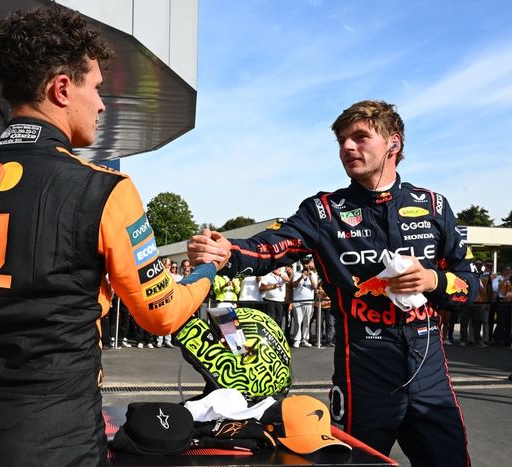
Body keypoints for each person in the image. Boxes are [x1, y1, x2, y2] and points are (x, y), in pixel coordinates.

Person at [0, 7, 218, 466]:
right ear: (61, 89)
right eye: (97, 88)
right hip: (58, 435)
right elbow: (161, 315)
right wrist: (206, 271)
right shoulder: (105, 189)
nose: (102, 105)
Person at [188, 100, 478, 467]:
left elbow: (470, 284)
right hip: (364, 377)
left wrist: (433, 279)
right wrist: (228, 252)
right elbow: (272, 247)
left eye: (360, 137)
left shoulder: (434, 206)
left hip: (430, 376)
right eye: (342, 140)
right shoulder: (323, 211)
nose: (347, 147)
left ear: (394, 143)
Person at [290, 257, 318, 348]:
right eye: (304, 263)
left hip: (308, 300)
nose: (306, 265)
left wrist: (310, 277)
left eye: (307, 263)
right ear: (302, 264)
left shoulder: (313, 274)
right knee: (298, 321)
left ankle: (305, 339)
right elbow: (293, 285)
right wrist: (301, 277)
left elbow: (315, 287)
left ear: (309, 263)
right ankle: (297, 340)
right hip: (297, 300)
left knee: (307, 322)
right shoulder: (297, 273)